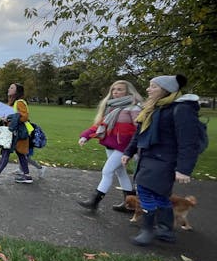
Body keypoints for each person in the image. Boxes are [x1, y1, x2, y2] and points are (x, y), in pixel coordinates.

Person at [121, 74, 202, 247]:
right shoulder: (154, 108)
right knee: (159, 194)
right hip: (149, 158)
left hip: (164, 160)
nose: (148, 89)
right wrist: (128, 152)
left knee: (144, 191)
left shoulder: (181, 109)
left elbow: (189, 141)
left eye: (153, 86)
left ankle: (148, 229)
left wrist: (184, 168)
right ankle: (165, 231)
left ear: (166, 90)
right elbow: (139, 133)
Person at [77, 80, 143, 211]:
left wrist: (135, 149)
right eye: (114, 90)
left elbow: (140, 129)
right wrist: (85, 136)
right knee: (120, 172)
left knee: (107, 171)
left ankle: (94, 201)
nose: (116, 92)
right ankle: (130, 204)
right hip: (110, 145)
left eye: (120, 89)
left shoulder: (134, 108)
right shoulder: (111, 107)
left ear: (128, 92)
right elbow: (100, 125)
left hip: (123, 147)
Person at [0, 83, 33, 184]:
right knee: (20, 154)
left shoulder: (20, 102)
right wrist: (5, 119)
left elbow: (24, 117)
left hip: (17, 134)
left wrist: (9, 118)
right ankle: (27, 176)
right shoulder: (13, 103)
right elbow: (14, 117)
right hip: (16, 133)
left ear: (17, 91)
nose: (9, 89)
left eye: (12, 88)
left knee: (6, 152)